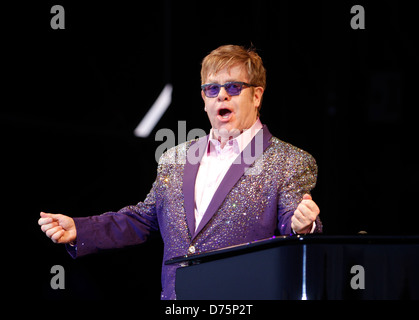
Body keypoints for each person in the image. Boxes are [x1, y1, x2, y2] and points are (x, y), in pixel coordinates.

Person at [38, 44, 322, 300]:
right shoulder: (174, 158)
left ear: (257, 95)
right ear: (204, 98)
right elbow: (144, 219)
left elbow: (295, 225)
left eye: (233, 87)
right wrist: (82, 229)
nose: (221, 95)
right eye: (212, 88)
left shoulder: (289, 161)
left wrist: (303, 226)